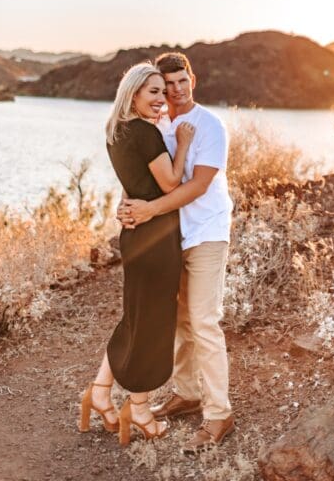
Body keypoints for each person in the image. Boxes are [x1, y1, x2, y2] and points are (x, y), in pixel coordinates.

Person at [117, 51, 235, 454]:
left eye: (183, 81)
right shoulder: (159, 125)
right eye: (167, 86)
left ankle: (219, 413)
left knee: (203, 321)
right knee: (180, 320)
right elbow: (146, 177)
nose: (177, 90)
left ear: (192, 79)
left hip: (206, 233)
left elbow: (199, 185)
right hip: (171, 237)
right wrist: (128, 203)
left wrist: (149, 209)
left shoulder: (209, 125)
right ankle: (187, 393)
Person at [80, 63, 195, 445]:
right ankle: (140, 408)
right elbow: (171, 182)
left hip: (135, 234)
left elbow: (134, 184)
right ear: (133, 94)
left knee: (136, 316)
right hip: (156, 237)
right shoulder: (146, 132)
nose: (162, 98)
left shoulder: (115, 130)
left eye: (163, 92)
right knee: (152, 322)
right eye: (154, 92)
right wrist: (185, 143)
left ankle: (100, 391)